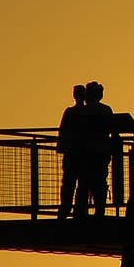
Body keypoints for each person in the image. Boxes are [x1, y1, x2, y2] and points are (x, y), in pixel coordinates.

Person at [76, 80, 115, 217]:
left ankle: (80, 212)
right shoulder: (105, 110)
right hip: (101, 152)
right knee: (100, 183)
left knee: (84, 183)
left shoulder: (82, 111)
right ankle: (100, 211)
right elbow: (111, 129)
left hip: (85, 153)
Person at [57, 84, 86, 219]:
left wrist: (61, 147)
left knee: (69, 183)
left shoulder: (69, 112)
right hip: (85, 154)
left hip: (71, 153)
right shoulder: (87, 112)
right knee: (82, 184)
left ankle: (65, 209)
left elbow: (62, 131)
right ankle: (79, 210)